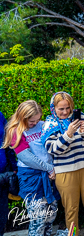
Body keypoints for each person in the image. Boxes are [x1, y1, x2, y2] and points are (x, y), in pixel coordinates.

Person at [42, 92, 84, 236]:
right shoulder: (49, 124)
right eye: (61, 109)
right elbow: (52, 149)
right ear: (53, 108)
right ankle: (73, 234)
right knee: (70, 208)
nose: (65, 112)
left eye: (68, 107)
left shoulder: (80, 116)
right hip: (65, 171)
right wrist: (68, 134)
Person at [3, 101, 59, 236]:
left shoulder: (43, 125)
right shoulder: (15, 130)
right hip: (31, 177)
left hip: (49, 175)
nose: (35, 123)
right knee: (38, 217)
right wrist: (49, 168)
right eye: (32, 121)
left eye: (38, 119)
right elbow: (25, 157)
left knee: (51, 212)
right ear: (23, 117)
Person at [0, 111, 17, 236]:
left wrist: (13, 167)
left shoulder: (0, 115)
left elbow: (7, 142)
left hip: (3, 175)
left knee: (1, 217)